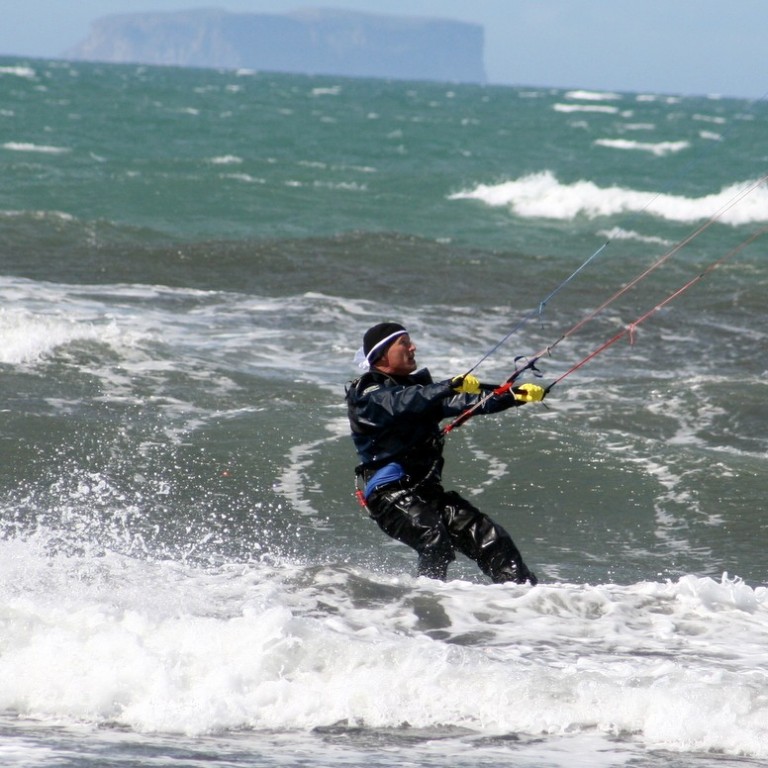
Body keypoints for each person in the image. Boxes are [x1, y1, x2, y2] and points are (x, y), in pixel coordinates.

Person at [345, 321, 543, 585]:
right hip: (389, 496)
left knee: (492, 538)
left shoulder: (420, 391)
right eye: (404, 343)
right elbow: (399, 402)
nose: (413, 347)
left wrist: (513, 396)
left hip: (428, 494)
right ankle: (428, 600)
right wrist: (446, 386)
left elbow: (465, 401)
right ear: (381, 354)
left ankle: (522, 596)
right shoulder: (368, 391)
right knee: (433, 539)